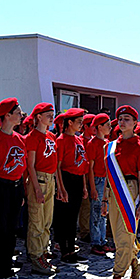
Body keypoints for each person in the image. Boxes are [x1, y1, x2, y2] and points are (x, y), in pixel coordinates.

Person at [102, 105, 140, 279]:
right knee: (121, 236)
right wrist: (104, 199)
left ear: (135, 123)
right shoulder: (110, 146)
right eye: (120, 118)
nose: (122, 122)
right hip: (114, 193)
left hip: (130, 192)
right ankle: (135, 265)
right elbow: (107, 175)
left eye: (127, 119)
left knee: (124, 237)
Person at [0, 97, 29, 279]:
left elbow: (23, 166)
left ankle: (8, 270)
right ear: (7, 115)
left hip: (16, 186)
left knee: (11, 230)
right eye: (17, 112)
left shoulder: (20, 139)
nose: (21, 115)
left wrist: (23, 192)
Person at [25, 103, 59, 275]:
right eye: (48, 114)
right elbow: (30, 165)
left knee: (47, 220)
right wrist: (37, 189)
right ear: (39, 116)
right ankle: (36, 256)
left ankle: (43, 252)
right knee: (37, 220)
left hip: (50, 179)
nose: (51, 117)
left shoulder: (51, 136)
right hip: (38, 179)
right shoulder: (32, 137)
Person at [53, 108, 88, 265]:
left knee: (73, 216)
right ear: (70, 123)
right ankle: (65, 250)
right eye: (79, 122)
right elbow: (58, 166)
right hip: (66, 179)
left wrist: (85, 186)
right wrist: (61, 188)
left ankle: (72, 249)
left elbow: (83, 164)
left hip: (78, 179)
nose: (81, 125)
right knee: (65, 217)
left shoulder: (78, 139)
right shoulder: (61, 140)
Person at [87, 113, 114, 256]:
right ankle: (95, 242)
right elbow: (90, 168)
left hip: (106, 180)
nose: (110, 127)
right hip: (97, 180)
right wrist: (92, 187)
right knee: (96, 212)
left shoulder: (107, 143)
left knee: (104, 211)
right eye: (107, 125)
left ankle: (102, 241)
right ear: (99, 127)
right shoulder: (92, 144)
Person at [78, 113, 96, 243]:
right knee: (85, 206)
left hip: (95, 177)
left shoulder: (95, 140)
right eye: (92, 125)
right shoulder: (81, 140)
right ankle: (85, 232)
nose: (95, 128)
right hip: (83, 176)